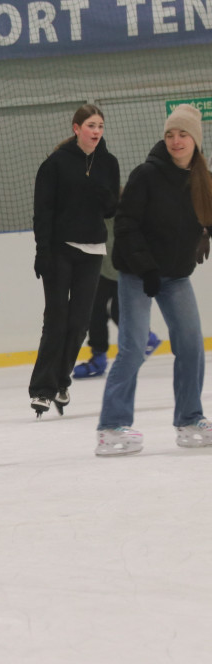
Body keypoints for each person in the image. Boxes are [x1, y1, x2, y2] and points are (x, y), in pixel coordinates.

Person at [95, 104, 212, 456]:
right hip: (137, 272)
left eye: (183, 134)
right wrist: (145, 269)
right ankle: (111, 428)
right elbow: (126, 225)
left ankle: (190, 419)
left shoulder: (202, 179)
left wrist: (205, 230)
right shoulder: (146, 174)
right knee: (132, 347)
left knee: (191, 344)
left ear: (196, 140)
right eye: (170, 134)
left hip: (176, 275)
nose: (176, 141)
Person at [29, 104, 120, 417]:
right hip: (59, 250)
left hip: (93, 251)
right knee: (56, 320)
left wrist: (106, 193)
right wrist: (42, 252)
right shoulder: (55, 165)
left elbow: (110, 210)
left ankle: (61, 381)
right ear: (76, 128)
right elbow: (43, 213)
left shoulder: (108, 163)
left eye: (100, 126)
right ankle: (42, 389)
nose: (96, 131)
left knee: (79, 323)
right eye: (91, 125)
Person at [72, 219, 161, 379]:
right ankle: (98, 356)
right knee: (95, 311)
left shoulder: (123, 210)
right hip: (103, 266)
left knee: (117, 310)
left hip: (123, 266)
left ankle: (146, 337)